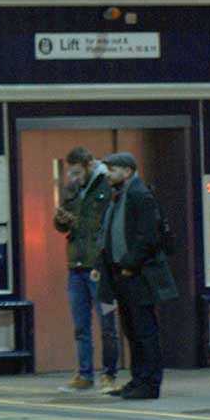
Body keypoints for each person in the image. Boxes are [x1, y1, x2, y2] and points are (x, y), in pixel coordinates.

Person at [94, 152, 176, 400]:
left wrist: (129, 264)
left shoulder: (140, 195)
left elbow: (147, 237)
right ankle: (138, 378)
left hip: (139, 274)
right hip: (122, 274)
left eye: (113, 169)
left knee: (145, 330)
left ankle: (150, 383)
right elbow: (109, 234)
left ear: (127, 171)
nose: (108, 174)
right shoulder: (119, 196)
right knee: (131, 329)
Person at [52, 147, 118, 390]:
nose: (74, 178)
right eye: (71, 173)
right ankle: (85, 374)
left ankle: (109, 374)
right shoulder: (73, 189)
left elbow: (108, 224)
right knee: (81, 325)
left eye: (78, 172)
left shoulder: (106, 185)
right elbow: (63, 225)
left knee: (107, 325)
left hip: (99, 267)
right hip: (76, 265)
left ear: (90, 165)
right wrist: (61, 219)